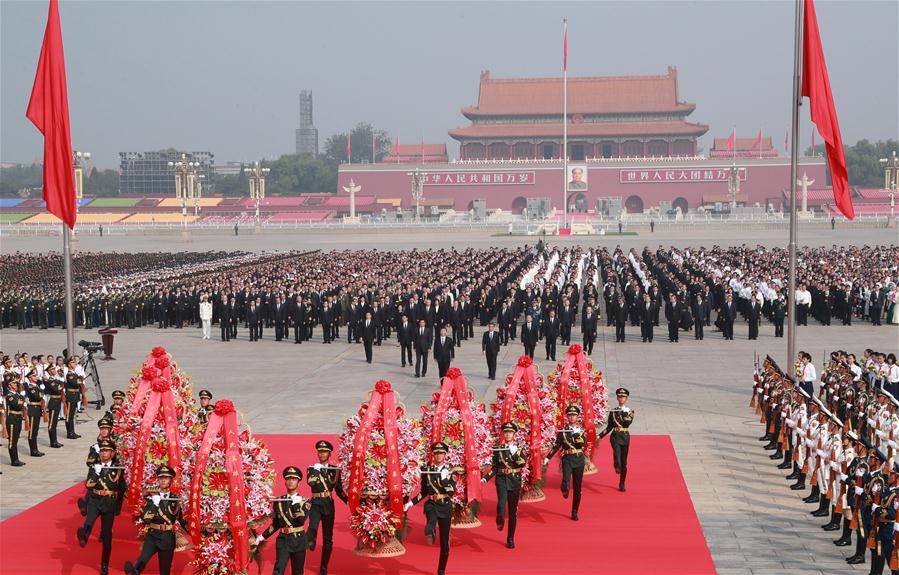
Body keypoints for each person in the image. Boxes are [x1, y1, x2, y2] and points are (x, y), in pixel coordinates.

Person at [124, 465, 189, 575]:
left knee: (165, 570)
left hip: (167, 537)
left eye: (166, 478)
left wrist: (195, 532)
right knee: (142, 559)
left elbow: (181, 520)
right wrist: (155, 503)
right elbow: (146, 519)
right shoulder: (151, 498)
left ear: (170, 480)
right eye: (161, 478)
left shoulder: (175, 499)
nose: (163, 480)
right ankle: (134, 572)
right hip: (153, 535)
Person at [405, 442, 458, 575]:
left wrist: (444, 478)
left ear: (445, 455)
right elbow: (424, 492)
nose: (438, 456)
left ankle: (441, 570)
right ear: (433, 455)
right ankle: (431, 531)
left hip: (444, 505)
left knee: (445, 543)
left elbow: (451, 492)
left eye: (441, 453)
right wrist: (410, 503)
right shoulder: (427, 470)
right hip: (431, 505)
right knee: (429, 525)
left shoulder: (450, 471)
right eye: (436, 453)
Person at [77, 439, 125, 575]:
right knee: (89, 521)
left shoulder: (118, 468)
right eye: (102, 451)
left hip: (109, 502)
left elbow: (122, 488)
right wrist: (97, 473)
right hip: (95, 499)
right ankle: (84, 537)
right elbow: (88, 485)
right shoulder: (94, 467)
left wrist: (118, 507)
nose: (104, 453)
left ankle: (104, 564)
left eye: (107, 451)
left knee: (107, 534)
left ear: (112, 453)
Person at [255, 466, 312, 575]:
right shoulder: (279, 501)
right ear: (285, 482)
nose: (291, 481)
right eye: (288, 479)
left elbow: (300, 521)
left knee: (298, 572)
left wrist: (296, 504)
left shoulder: (304, 501)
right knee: (278, 570)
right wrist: (262, 537)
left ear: (299, 483)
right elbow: (276, 524)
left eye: (294, 479)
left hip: (298, 540)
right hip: (283, 540)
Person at [481, 422, 528, 549]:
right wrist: (485, 478)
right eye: (506, 432)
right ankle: (500, 518)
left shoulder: (519, 449)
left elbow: (522, 464)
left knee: (513, 512)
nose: (508, 435)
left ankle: (510, 538)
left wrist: (514, 453)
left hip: (514, 480)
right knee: (501, 502)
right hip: (501, 479)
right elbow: (495, 468)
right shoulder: (498, 449)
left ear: (514, 434)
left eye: (510, 433)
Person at [306, 441, 347, 575]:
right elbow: (311, 483)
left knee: (328, 538)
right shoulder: (312, 468)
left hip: (328, 504)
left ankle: (324, 566)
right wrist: (316, 470)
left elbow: (339, 490)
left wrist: (348, 501)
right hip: (315, 502)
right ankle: (311, 540)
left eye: (324, 452)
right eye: (320, 452)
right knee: (312, 526)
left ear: (329, 454)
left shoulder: (335, 470)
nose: (322, 454)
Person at [544, 405, 587, 521]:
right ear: (567, 417)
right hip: (567, 458)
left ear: (577, 417)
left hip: (578, 458)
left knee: (578, 488)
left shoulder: (582, 430)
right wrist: (547, 458)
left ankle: (574, 511)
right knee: (565, 480)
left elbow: (583, 444)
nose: (572, 417)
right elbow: (556, 446)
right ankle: (565, 489)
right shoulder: (563, 431)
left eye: (574, 415)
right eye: (570, 415)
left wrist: (577, 435)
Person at [598, 388, 635, 492]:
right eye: (619, 397)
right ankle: (616, 464)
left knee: (624, 463)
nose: (621, 399)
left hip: (625, 436)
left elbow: (627, 423)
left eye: (623, 397)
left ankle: (622, 482)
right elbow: (609, 427)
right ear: (617, 398)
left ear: (626, 399)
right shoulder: (613, 412)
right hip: (615, 436)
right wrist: (599, 436)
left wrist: (624, 413)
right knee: (617, 455)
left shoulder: (630, 411)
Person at [5, 377, 27, 466]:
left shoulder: (17, 394)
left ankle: (16, 459)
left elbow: (21, 402)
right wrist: (22, 399)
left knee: (16, 439)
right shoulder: (9, 396)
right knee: (12, 441)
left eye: (16, 383)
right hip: (12, 419)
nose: (16, 385)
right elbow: (17, 405)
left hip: (18, 418)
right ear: (9, 385)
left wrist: (21, 398)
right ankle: (14, 460)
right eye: (13, 383)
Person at [24, 368, 46, 457]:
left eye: (36, 375)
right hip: (33, 409)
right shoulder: (31, 387)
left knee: (35, 431)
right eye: (34, 376)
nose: (36, 377)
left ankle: (36, 449)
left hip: (37, 409)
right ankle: (33, 451)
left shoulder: (36, 386)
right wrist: (42, 391)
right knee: (32, 431)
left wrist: (41, 391)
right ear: (30, 378)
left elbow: (40, 396)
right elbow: (37, 397)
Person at [45, 364, 64, 448]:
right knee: (52, 423)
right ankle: (52, 442)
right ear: (49, 371)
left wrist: (60, 385)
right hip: (53, 402)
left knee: (55, 423)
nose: (54, 370)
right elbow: (57, 390)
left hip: (57, 401)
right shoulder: (51, 380)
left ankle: (55, 441)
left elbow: (61, 387)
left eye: (54, 369)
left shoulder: (55, 379)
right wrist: (60, 386)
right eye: (52, 369)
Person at [64, 357, 83, 439]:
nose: (75, 363)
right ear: (69, 365)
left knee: (72, 415)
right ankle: (70, 433)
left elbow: (78, 383)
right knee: (69, 416)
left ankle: (72, 432)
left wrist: (79, 379)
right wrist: (80, 379)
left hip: (74, 396)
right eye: (72, 362)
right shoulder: (70, 374)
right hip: (71, 396)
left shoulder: (74, 374)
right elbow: (75, 384)